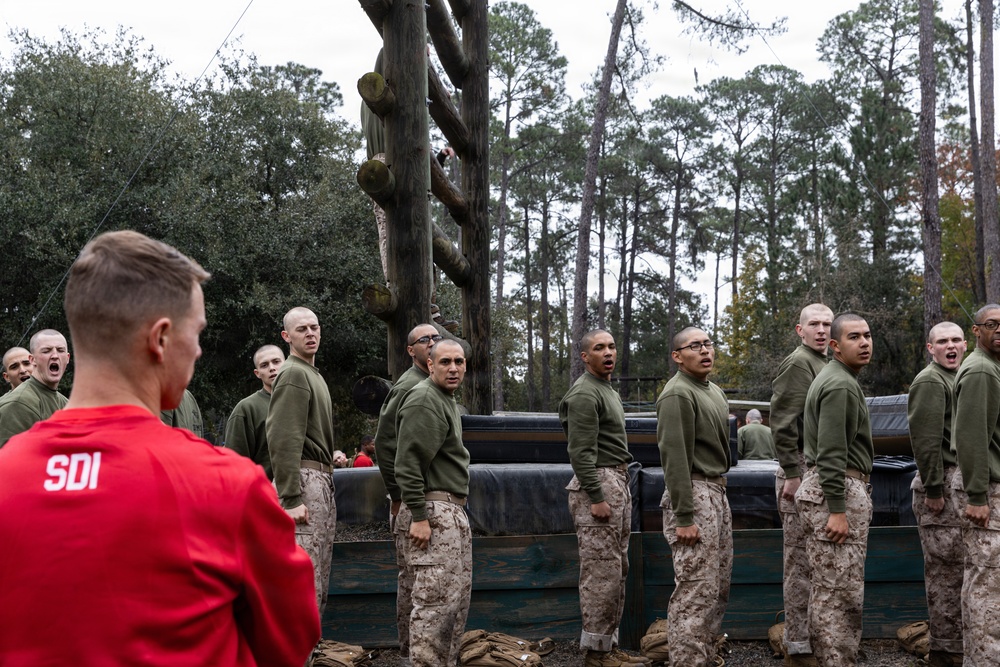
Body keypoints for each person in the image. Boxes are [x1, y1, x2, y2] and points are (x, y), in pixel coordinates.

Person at [0, 230, 318, 665]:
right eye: (197, 332)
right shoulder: (226, 485)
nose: (200, 351)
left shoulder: (6, 473)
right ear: (161, 338)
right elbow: (287, 644)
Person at [559, 329, 648, 667]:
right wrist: (596, 495)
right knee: (601, 574)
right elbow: (580, 452)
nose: (608, 352)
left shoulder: (605, 389)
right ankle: (596, 654)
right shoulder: (584, 393)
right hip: (598, 481)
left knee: (617, 569)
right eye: (599, 348)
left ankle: (608, 646)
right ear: (585, 357)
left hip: (616, 479)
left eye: (611, 346)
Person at [795, 313, 873, 667]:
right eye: (854, 337)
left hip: (832, 486)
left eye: (867, 336)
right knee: (839, 593)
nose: (865, 342)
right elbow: (831, 451)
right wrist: (838, 510)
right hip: (836, 487)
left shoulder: (841, 378)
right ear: (835, 346)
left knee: (831, 588)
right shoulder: (840, 383)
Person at [656, 327, 732, 667]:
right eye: (695, 346)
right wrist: (684, 516)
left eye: (708, 344)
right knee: (694, 592)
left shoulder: (712, 390)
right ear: (677, 356)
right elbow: (675, 458)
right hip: (693, 493)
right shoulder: (677, 394)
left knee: (717, 587)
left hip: (717, 490)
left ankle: (706, 657)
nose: (705, 351)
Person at [394, 339, 471, 667]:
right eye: (445, 362)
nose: (453, 368)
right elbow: (407, 464)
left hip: (447, 511)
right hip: (432, 512)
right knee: (434, 612)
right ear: (429, 365)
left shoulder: (444, 398)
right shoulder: (426, 399)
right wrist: (420, 517)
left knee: (451, 608)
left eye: (459, 362)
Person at [769, 303, 833, 666]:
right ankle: (797, 647)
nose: (821, 330)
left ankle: (815, 642)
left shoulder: (824, 363)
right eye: (814, 324)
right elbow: (782, 422)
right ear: (800, 330)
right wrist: (792, 473)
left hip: (818, 469)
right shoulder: (799, 363)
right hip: (801, 471)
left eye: (827, 324)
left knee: (818, 561)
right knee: (800, 564)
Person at [374, 322, 440, 664]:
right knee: (416, 582)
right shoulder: (408, 387)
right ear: (410, 350)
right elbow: (385, 445)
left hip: (430, 498)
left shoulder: (433, 384)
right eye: (424, 339)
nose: (432, 343)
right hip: (413, 502)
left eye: (436, 338)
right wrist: (398, 496)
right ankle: (409, 654)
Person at [266, 306, 336, 616]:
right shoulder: (293, 372)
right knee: (304, 582)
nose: (310, 333)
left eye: (314, 327)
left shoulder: (312, 374)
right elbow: (283, 437)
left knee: (317, 575)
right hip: (304, 485)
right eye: (301, 329)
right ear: (287, 336)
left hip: (321, 481)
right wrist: (290, 497)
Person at [907, 321, 967, 667]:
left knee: (960, 573)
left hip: (953, 482)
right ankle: (946, 653)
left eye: (956, 340)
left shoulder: (958, 376)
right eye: (942, 341)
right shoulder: (931, 380)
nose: (950, 346)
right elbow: (926, 439)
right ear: (930, 348)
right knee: (945, 576)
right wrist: (933, 488)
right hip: (939, 486)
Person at [953, 304, 1000, 665]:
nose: (999, 330)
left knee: (985, 583)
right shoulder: (982, 370)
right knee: (989, 589)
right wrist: (978, 496)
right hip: (987, 492)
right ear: (976, 331)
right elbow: (971, 438)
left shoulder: (992, 367)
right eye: (992, 324)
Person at [0, 329, 71, 448]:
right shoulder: (18, 403)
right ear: (32, 360)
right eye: (46, 351)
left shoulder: (67, 404)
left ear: (68, 358)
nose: (55, 356)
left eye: (60, 350)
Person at [225, 344, 285, 480]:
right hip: (267, 495)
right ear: (257, 373)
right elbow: (235, 464)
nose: (272, 368)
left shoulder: (301, 401)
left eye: (276, 362)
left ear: (286, 364)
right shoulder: (247, 409)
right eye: (264, 365)